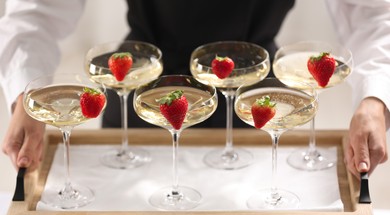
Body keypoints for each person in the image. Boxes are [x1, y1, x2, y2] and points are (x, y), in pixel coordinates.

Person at [0, 0, 389, 179]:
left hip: (256, 101)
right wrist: (24, 97)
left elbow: (373, 14)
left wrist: (374, 99)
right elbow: (37, 11)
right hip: (141, 95)